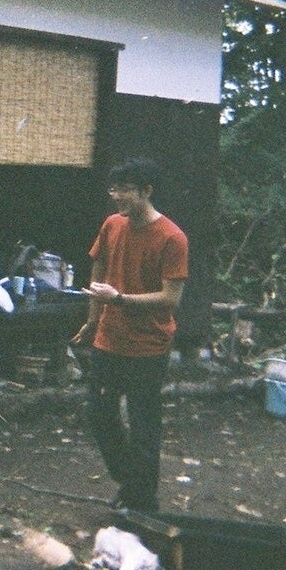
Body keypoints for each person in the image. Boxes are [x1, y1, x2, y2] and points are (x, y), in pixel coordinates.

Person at [70, 156, 188, 514]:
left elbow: (171, 298)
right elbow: (99, 267)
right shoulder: (112, 225)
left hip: (148, 346)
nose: (117, 196)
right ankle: (131, 482)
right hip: (109, 338)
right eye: (114, 189)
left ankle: (144, 503)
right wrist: (93, 320)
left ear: (146, 191)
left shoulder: (172, 237)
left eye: (125, 190)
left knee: (143, 425)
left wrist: (119, 299)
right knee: (99, 414)